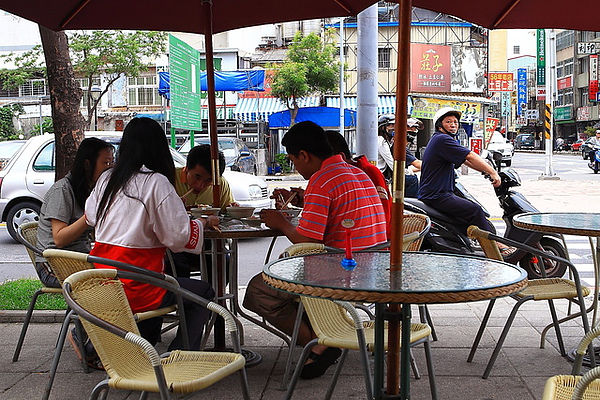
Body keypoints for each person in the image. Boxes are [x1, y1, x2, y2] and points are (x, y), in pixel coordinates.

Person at [244, 121, 387, 380]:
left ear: (304, 155)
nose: (295, 168)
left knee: (257, 291)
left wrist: (280, 222)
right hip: (373, 265)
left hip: (342, 272)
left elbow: (306, 239)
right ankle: (327, 336)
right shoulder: (357, 172)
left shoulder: (322, 179)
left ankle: (322, 341)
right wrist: (305, 201)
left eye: (293, 160)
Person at [85, 117, 219, 351]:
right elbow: (177, 238)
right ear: (160, 148)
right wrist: (203, 222)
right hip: (138, 287)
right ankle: (180, 355)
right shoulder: (156, 182)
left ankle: (142, 345)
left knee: (172, 278)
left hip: (104, 283)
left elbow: (91, 217)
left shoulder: (107, 178)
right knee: (203, 293)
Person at [36, 137, 114, 370]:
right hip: (53, 264)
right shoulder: (63, 189)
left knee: (119, 283)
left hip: (79, 259)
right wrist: (88, 218)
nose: (110, 167)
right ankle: (82, 339)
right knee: (100, 287)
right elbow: (59, 238)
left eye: (112, 162)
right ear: (88, 164)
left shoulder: (93, 189)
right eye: (105, 163)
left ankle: (103, 345)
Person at [418, 107, 514, 257]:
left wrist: (484, 170)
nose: (453, 124)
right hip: (437, 194)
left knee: (464, 213)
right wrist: (492, 172)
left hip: (438, 192)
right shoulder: (442, 140)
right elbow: (469, 156)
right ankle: (494, 245)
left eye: (455, 122)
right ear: (439, 125)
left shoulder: (441, 140)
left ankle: (467, 244)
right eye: (448, 121)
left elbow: (464, 159)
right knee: (474, 210)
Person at [170, 144, 236, 279]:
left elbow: (226, 214)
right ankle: (183, 299)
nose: (200, 185)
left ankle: (210, 297)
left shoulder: (220, 185)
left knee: (224, 263)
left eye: (208, 180)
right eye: (197, 177)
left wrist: (234, 209)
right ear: (186, 169)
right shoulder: (170, 179)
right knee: (176, 265)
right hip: (176, 244)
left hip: (208, 243)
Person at [324, 130, 391, 230]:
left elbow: (382, 216)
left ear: (340, 157)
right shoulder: (343, 176)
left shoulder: (368, 172)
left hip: (376, 240)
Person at [405, 117, 424, 197]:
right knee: (413, 180)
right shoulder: (399, 147)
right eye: (411, 129)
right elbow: (417, 164)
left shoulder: (405, 147)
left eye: (415, 129)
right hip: (391, 177)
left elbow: (413, 167)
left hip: (400, 172)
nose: (413, 131)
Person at [376, 113, 395, 182]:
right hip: (379, 174)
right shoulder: (381, 141)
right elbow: (391, 162)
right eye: (391, 125)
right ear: (383, 128)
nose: (394, 128)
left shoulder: (387, 141)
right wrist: (406, 172)